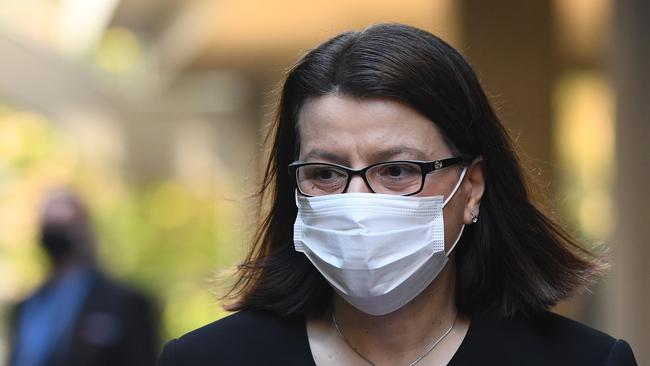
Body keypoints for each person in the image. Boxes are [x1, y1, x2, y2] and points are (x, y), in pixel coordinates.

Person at [158, 23, 637, 365]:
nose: (359, 199)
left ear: (471, 189)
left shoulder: (584, 360)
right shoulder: (207, 359)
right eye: (325, 173)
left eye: (398, 170)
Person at [8, 188, 159, 366]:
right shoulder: (27, 307)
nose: (55, 235)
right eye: (50, 226)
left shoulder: (125, 303)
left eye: (63, 225)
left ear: (84, 229)